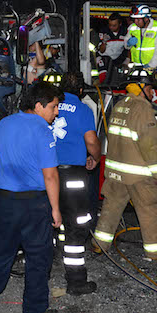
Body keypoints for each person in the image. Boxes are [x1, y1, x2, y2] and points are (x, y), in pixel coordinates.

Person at [0, 82, 63, 313]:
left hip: (6, 200)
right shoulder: (42, 130)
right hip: (34, 204)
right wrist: (55, 209)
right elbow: (50, 176)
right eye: (54, 107)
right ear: (38, 106)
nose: (56, 112)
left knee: (1, 253)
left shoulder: (4, 123)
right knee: (38, 259)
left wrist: (4, 187)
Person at [93, 66, 157, 260]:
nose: (153, 92)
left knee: (111, 209)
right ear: (141, 87)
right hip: (137, 174)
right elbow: (149, 145)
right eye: (150, 88)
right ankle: (155, 253)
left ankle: (99, 244)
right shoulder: (143, 108)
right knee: (150, 209)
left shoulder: (120, 104)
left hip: (115, 171)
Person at [53, 72, 101, 296]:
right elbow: (91, 141)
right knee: (76, 225)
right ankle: (76, 281)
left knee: (51, 219)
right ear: (81, 90)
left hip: (48, 173)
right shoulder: (82, 110)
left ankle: (45, 267)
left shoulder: (50, 105)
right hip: (73, 175)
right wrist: (96, 157)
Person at [127, 5, 157, 72]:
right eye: (134, 19)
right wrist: (128, 43)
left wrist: (151, 65)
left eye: (138, 19)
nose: (136, 22)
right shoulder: (132, 27)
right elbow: (126, 45)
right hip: (137, 69)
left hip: (155, 68)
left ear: (146, 19)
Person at [96, 12, 131, 83]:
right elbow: (101, 51)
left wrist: (127, 61)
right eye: (110, 25)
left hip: (118, 59)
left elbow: (128, 48)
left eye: (114, 25)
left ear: (120, 24)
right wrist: (104, 42)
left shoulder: (125, 32)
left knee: (120, 79)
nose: (111, 27)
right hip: (104, 57)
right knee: (103, 79)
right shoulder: (104, 31)